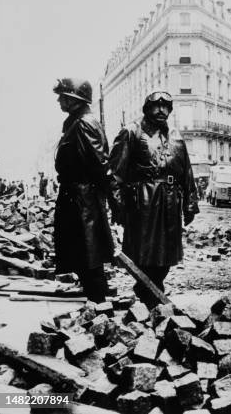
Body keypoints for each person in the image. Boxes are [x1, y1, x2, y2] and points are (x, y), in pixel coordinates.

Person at [110, 91, 199, 308]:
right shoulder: (131, 131)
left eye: (166, 106)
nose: (161, 110)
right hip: (143, 202)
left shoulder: (176, 136)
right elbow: (115, 174)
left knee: (167, 254)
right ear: (146, 108)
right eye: (156, 106)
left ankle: (153, 291)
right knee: (144, 252)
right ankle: (148, 294)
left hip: (170, 201)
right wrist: (118, 206)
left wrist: (190, 203)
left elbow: (187, 172)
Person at [53, 78, 116, 303]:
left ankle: (98, 305)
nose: (59, 100)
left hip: (83, 201)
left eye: (63, 96)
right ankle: (95, 302)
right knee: (79, 254)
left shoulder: (84, 123)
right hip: (75, 198)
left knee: (90, 257)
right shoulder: (74, 122)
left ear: (74, 100)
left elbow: (102, 165)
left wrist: (114, 201)